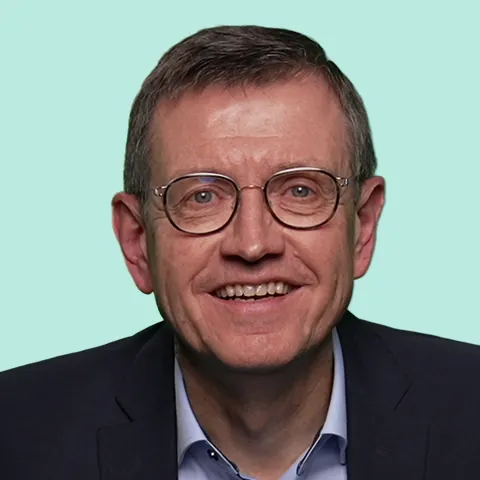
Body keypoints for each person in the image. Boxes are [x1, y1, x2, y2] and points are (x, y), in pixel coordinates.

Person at [1, 24, 480, 480]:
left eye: (300, 191)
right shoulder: (15, 436)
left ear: (363, 227)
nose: (252, 244)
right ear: (138, 240)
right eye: (202, 197)